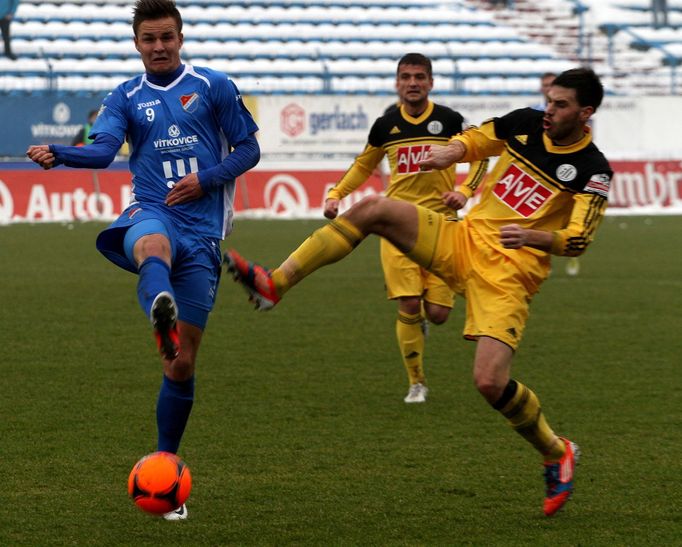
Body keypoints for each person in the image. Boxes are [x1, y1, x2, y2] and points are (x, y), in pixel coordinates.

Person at [225, 67, 612, 517]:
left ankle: (554, 451)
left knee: (489, 382)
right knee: (373, 209)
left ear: (585, 113)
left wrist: (533, 238)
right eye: (549, 98)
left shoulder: (592, 170)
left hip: (508, 275)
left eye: (561, 104)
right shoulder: (525, 121)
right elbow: (478, 139)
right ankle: (275, 284)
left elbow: (579, 239)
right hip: (462, 240)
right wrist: (448, 153)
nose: (550, 109)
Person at [27, 0, 259, 521]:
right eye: (148, 39)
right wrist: (62, 153)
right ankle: (160, 301)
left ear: (180, 39)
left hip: (203, 231)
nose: (158, 47)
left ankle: (165, 464)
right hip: (151, 209)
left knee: (180, 365)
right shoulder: (125, 96)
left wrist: (208, 177)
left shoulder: (213, 85)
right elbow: (105, 149)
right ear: (136, 43)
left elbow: (248, 150)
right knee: (150, 243)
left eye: (166, 38)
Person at [324, 53, 487, 404]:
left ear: (430, 83)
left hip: (442, 226)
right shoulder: (385, 126)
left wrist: (464, 191)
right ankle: (417, 382)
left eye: (419, 77)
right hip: (397, 226)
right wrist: (337, 193)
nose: (412, 83)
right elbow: (363, 165)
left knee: (439, 314)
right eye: (406, 77)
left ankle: (424, 325)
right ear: (397, 83)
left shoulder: (450, 120)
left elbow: (479, 157)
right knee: (409, 304)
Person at [532, 72, 581, 277]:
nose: (547, 88)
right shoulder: (534, 113)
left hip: (562, 174)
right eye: (544, 85)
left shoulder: (572, 116)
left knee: (562, 220)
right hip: (538, 172)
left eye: (551, 84)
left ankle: (569, 255)